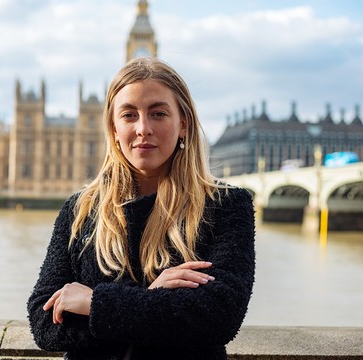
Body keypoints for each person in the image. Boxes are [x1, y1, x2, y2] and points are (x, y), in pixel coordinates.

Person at [27, 57, 255, 360]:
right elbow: (44, 323)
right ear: (113, 127)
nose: (143, 128)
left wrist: (95, 304)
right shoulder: (80, 210)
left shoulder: (225, 206)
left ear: (183, 124)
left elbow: (219, 316)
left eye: (158, 113)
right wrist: (155, 303)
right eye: (129, 115)